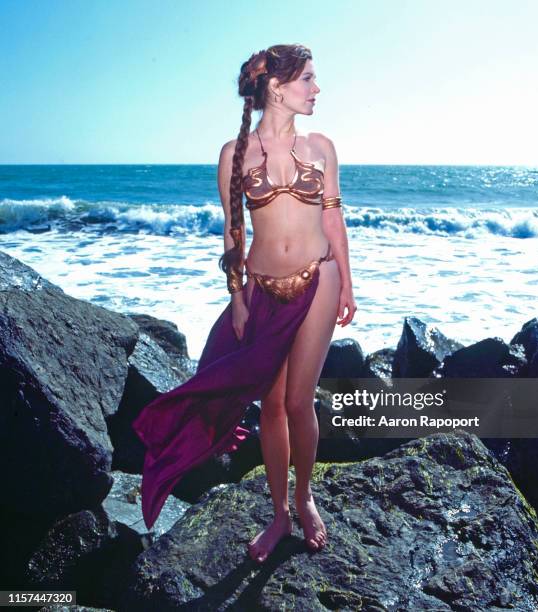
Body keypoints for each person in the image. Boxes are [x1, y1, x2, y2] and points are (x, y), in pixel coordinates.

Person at [132, 43, 357, 563]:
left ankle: (305, 499)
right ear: (276, 87)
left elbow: (333, 221)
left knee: (299, 400)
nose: (316, 89)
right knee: (271, 404)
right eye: (307, 79)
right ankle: (278, 514)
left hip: (319, 279)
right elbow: (233, 233)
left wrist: (347, 282)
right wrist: (236, 297)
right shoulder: (234, 155)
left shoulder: (322, 147)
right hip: (262, 288)